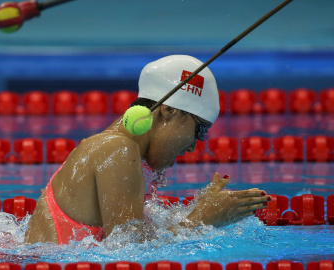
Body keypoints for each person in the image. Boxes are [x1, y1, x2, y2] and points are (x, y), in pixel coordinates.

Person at [25, 55, 270, 244]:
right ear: (168, 111)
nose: (195, 144)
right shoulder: (117, 149)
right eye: (199, 130)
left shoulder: (112, 147)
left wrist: (199, 211)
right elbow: (130, 251)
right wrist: (203, 218)